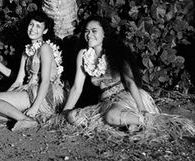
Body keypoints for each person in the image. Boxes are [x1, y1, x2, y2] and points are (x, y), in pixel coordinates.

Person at [61, 15, 195, 141]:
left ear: (104, 33)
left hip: (124, 98)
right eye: (86, 31)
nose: (89, 35)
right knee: (73, 116)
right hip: (104, 103)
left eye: (94, 31)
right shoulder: (83, 54)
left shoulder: (116, 52)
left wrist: (143, 109)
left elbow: (130, 82)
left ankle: (164, 123)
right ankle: (128, 124)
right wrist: (65, 111)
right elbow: (77, 87)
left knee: (111, 116)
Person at [0, 11, 66, 131]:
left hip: (45, 94)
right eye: (31, 24)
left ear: (45, 31)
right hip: (30, 90)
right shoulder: (27, 51)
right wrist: (7, 95)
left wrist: (35, 107)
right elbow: (18, 81)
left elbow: (45, 81)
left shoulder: (45, 48)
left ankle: (27, 120)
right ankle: (22, 117)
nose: (33, 29)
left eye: (38, 26)